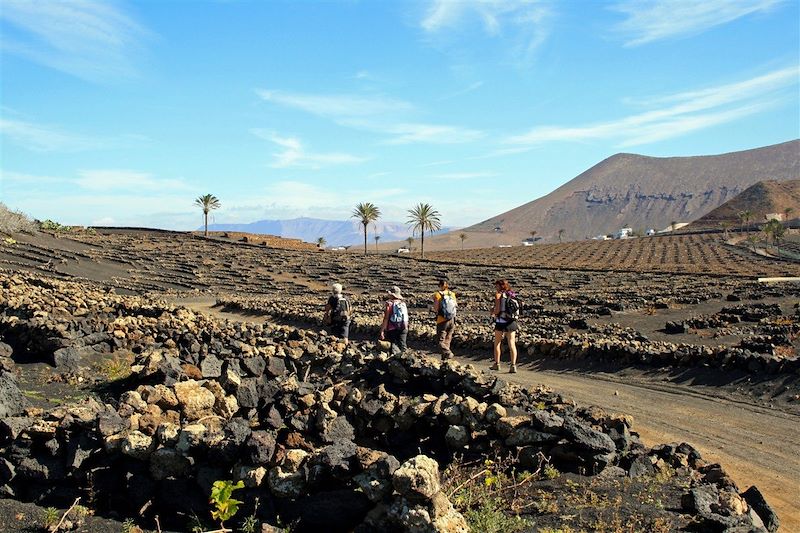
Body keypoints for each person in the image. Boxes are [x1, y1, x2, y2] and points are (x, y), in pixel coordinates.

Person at [491, 279, 519, 373]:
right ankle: (513, 365)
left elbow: (498, 310)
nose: (496, 287)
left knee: (497, 343)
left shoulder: (498, 295)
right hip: (511, 321)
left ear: (500, 286)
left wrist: (492, 312)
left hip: (501, 321)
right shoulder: (512, 294)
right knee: (512, 343)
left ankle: (497, 364)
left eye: (497, 285)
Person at [432, 279, 457, 360]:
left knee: (440, 341)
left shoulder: (437, 294)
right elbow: (455, 306)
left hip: (442, 320)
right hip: (452, 319)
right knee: (447, 340)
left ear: (440, 285)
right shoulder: (452, 294)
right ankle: (445, 360)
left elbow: (436, 309)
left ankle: (448, 353)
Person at [379, 285, 408, 354]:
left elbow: (386, 318)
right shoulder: (402, 303)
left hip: (392, 328)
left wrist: (382, 331)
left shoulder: (389, 304)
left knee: (393, 347)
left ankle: (394, 362)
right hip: (403, 327)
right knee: (402, 345)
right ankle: (405, 359)